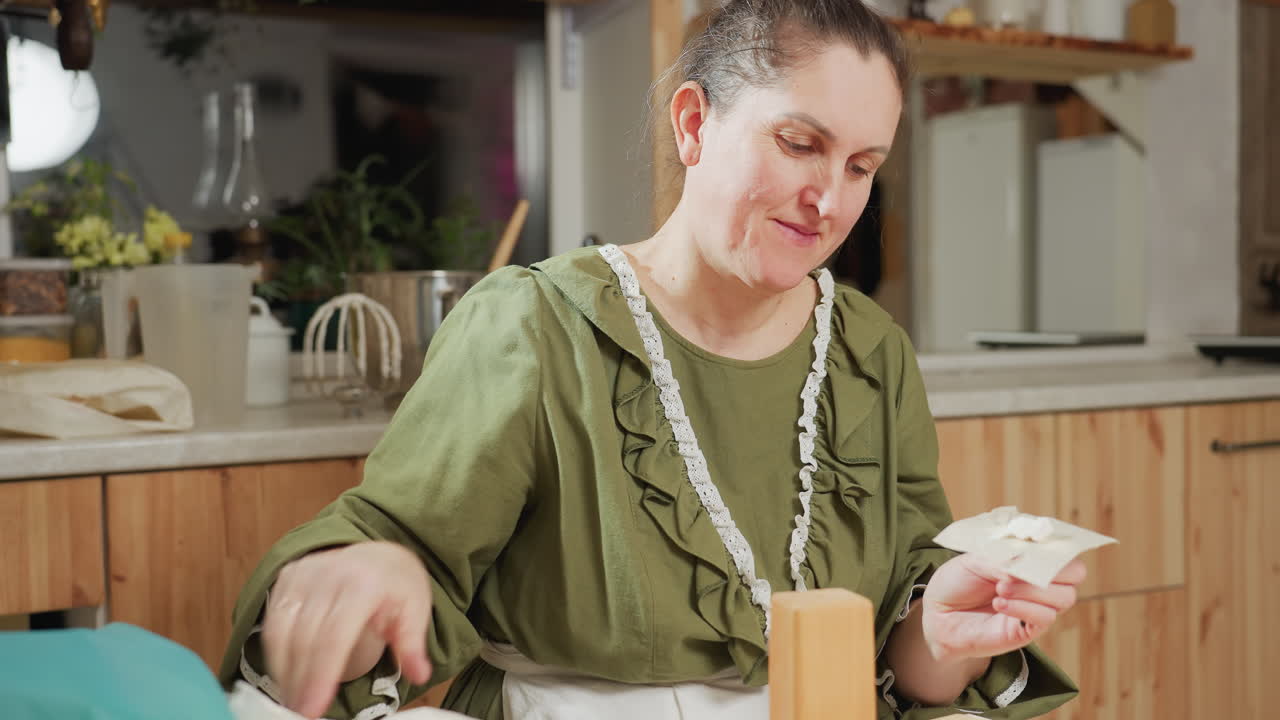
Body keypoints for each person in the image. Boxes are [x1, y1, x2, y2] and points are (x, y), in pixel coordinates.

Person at [219, 1, 1083, 718]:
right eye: (798, 144)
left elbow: (905, 653)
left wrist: (943, 627)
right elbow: (396, 547)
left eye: (862, 166)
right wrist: (373, 569)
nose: (830, 200)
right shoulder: (532, 324)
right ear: (695, 122)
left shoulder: (870, 350)